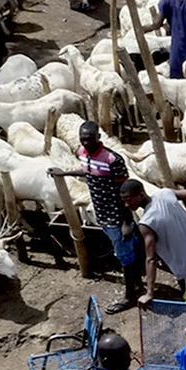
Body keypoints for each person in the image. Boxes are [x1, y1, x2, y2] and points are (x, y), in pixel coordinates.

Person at [50, 122, 141, 307]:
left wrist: (126, 221)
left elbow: (124, 191)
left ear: (98, 137)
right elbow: (87, 171)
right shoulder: (83, 154)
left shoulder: (113, 160)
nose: (86, 143)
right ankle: (137, 284)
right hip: (101, 214)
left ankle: (130, 296)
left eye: (90, 139)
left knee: (125, 255)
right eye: (83, 140)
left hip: (116, 216)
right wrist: (64, 173)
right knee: (125, 253)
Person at [122, 178, 186, 314]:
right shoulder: (164, 193)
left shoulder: (146, 222)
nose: (126, 204)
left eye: (129, 199)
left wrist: (149, 293)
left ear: (141, 194)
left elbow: (151, 259)